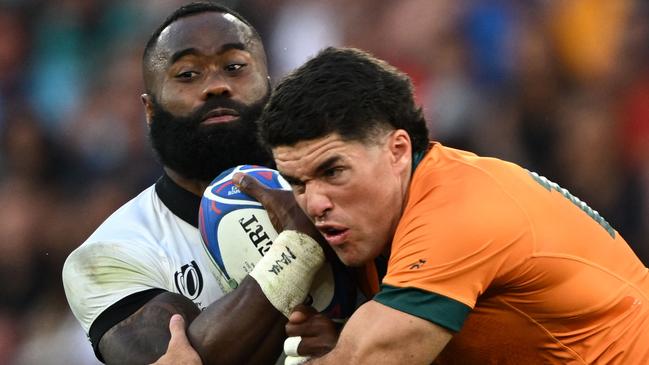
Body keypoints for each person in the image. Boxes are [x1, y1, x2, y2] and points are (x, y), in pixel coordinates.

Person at [243, 46, 649, 364]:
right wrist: (347, 336)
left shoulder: (456, 211)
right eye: (297, 184)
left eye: (333, 171)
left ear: (398, 150)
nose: (314, 204)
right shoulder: (381, 218)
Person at [62, 2, 336, 364]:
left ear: (270, 89)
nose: (216, 86)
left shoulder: (337, 191)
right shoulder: (108, 255)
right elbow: (184, 359)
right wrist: (299, 248)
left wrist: (347, 339)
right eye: (188, 74)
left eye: (235, 67)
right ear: (150, 109)